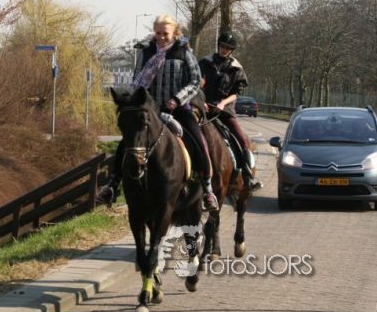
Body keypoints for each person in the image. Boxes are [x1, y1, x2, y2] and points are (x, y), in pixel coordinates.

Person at [100, 14, 219, 212]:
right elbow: (137, 80)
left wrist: (178, 99)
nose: (161, 37)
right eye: (158, 33)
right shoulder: (146, 52)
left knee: (200, 141)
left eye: (165, 33)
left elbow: (195, 81)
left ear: (174, 33)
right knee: (128, 142)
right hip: (150, 109)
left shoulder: (183, 51)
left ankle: (207, 189)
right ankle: (112, 184)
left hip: (178, 107)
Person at [198, 32, 262, 191]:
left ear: (231, 50)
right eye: (222, 46)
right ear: (218, 45)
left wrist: (222, 104)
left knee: (243, 140)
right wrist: (202, 102)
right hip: (203, 109)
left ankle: (248, 177)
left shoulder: (236, 68)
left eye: (228, 48)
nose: (224, 49)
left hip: (225, 111)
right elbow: (196, 85)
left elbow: (235, 94)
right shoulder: (204, 63)